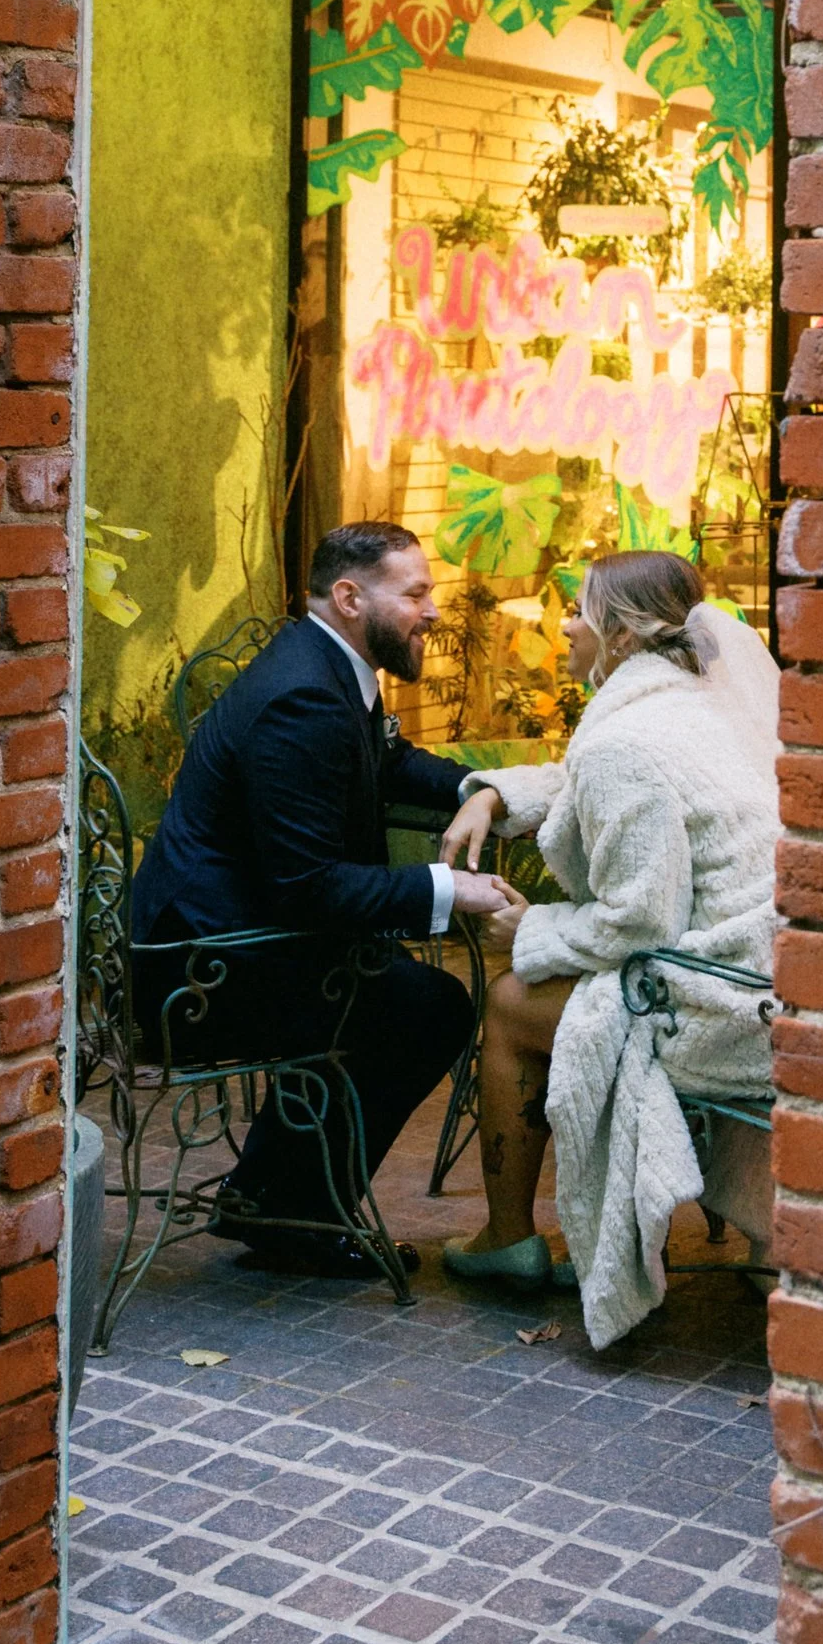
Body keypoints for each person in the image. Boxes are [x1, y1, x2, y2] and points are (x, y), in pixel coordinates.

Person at [130, 521, 525, 1275]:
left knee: (393, 988)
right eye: (415, 594)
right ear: (349, 598)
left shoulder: (326, 664)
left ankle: (268, 1197)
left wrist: (480, 789)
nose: (433, 611)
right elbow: (307, 887)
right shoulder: (302, 698)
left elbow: (388, 760)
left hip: (235, 942)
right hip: (200, 976)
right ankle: (296, 1217)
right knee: (427, 1007)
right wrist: (451, 888)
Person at [435, 550, 779, 1347]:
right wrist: (493, 792)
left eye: (578, 612)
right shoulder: (702, 700)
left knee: (510, 1002)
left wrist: (536, 930)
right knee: (543, 992)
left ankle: (506, 1237)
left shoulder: (623, 743)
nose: (562, 626)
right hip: (772, 981)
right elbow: (582, 781)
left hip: (715, 1006)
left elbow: (641, 923)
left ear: (622, 635)